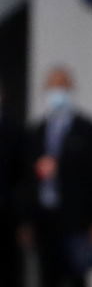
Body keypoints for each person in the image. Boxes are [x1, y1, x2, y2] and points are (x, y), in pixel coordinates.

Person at [22, 67, 92, 287]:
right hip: (44, 217)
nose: (57, 92)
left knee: (77, 276)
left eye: (62, 86)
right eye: (52, 86)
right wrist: (26, 220)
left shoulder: (87, 129)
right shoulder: (37, 130)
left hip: (76, 218)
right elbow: (28, 180)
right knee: (47, 276)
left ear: (71, 89)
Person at [0, 82, 25, 287]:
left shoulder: (15, 131)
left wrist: (23, 220)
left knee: (8, 271)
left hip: (7, 218)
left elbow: (22, 178)